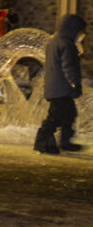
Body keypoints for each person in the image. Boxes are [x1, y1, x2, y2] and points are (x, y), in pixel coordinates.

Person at [34, 13, 86, 154]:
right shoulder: (67, 45)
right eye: (80, 31)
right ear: (72, 29)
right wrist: (75, 84)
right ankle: (42, 142)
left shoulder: (53, 42)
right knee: (55, 117)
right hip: (62, 88)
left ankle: (65, 141)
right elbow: (69, 67)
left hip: (54, 87)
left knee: (69, 114)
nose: (81, 35)